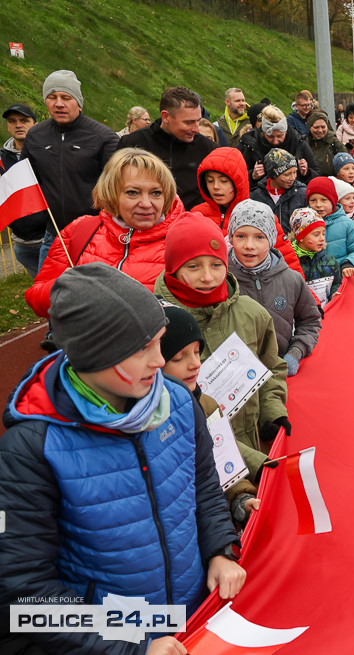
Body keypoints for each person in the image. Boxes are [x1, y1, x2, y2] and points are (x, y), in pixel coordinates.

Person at [0, 263, 244, 655]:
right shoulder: (31, 448)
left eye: (159, 343)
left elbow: (203, 486)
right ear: (96, 355)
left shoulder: (179, 402)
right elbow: (25, 593)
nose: (160, 362)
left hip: (193, 622)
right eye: (141, 350)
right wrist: (133, 643)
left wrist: (220, 549)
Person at [154, 215, 290, 457]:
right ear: (173, 268)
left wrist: (272, 411)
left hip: (253, 447)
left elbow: (272, 367)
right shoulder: (156, 324)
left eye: (216, 265)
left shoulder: (252, 313)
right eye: (193, 266)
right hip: (193, 459)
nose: (207, 277)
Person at [26, 149, 187, 317]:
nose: (146, 203)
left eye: (156, 193)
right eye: (133, 192)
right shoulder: (80, 230)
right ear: (111, 193)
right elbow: (36, 299)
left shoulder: (186, 236)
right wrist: (63, 288)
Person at [159, 304, 262, 527]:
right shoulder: (146, 420)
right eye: (179, 357)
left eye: (197, 352)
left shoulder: (208, 405)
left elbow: (227, 466)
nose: (195, 364)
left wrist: (242, 500)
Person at [22, 70, 119, 265]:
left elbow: (116, 187)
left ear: (79, 102)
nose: (59, 103)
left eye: (66, 97)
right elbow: (26, 183)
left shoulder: (104, 138)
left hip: (94, 235)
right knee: (45, 293)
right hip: (53, 235)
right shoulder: (35, 136)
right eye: (52, 97)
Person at [227, 200, 321, 376]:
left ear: (270, 239)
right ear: (231, 236)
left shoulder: (291, 280)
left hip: (280, 375)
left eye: (259, 237)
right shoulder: (220, 280)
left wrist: (295, 353)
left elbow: (310, 321)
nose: (249, 245)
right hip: (235, 379)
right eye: (241, 236)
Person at [191, 147, 303, 275]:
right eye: (210, 181)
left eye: (223, 181)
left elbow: (290, 264)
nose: (216, 186)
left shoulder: (260, 213)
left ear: (238, 181)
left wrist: (305, 294)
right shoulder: (197, 215)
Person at [119, 86, 217, 211]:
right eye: (189, 122)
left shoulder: (207, 148)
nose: (196, 129)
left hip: (190, 223)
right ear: (165, 117)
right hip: (142, 222)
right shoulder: (132, 143)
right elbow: (114, 187)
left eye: (198, 121)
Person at [1, 103, 45, 277]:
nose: (18, 125)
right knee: (41, 293)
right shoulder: (1, 159)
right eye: (12, 121)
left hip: (50, 239)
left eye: (23, 120)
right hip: (22, 244)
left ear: (34, 123)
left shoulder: (48, 151)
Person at [238, 104, 318, 184]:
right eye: (270, 136)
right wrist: (253, 176)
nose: (275, 141)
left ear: (285, 132)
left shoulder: (299, 142)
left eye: (280, 136)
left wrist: (306, 173)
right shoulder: (250, 144)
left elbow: (316, 177)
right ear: (263, 133)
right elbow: (238, 178)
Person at [305, 178, 354, 275]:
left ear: (333, 200)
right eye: (313, 200)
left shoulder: (347, 224)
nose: (318, 205)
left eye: (323, 200)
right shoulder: (303, 223)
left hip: (340, 279)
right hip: (312, 281)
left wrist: (349, 264)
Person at [249, 148, 307, 233]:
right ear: (273, 175)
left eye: (295, 172)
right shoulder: (255, 196)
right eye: (287, 174)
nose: (293, 178)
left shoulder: (302, 193)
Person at [306, 110, 343, 180]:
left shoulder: (334, 143)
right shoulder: (304, 143)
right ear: (310, 127)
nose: (320, 130)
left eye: (323, 127)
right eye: (316, 127)